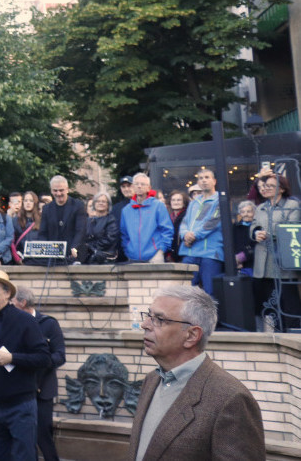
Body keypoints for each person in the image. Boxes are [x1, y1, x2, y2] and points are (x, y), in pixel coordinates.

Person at [127, 286, 265, 461]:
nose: (145, 325)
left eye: (159, 319)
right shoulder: (152, 380)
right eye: (148, 315)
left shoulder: (231, 398)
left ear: (192, 335)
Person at [0, 269, 50, 461]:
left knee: (24, 456)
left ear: (7, 293)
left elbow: (44, 358)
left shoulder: (25, 321)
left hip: (21, 405)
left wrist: (12, 358)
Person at [13, 286, 65, 461]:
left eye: (13, 303)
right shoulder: (14, 324)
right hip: (21, 389)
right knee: (24, 438)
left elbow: (60, 355)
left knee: (43, 436)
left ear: (23, 302)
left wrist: (42, 361)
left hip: (43, 389)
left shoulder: (48, 323)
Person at [250, 169, 301, 330]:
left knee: (289, 300)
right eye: (262, 186)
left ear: (282, 188)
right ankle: (275, 332)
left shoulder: (292, 205)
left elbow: (291, 226)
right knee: (269, 303)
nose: (264, 189)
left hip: (283, 260)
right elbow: (253, 225)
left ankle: (293, 333)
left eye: (270, 186)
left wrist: (269, 233)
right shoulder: (260, 207)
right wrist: (256, 233)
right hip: (263, 262)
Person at [177, 169, 223, 295]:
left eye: (207, 177)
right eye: (201, 178)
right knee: (186, 292)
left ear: (214, 181)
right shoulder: (193, 203)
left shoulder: (220, 200)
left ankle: (212, 316)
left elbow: (213, 222)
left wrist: (194, 235)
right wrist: (185, 234)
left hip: (210, 253)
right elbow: (185, 222)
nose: (204, 180)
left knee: (210, 293)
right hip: (190, 252)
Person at [120, 173, 173, 263]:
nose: (139, 186)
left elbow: (167, 230)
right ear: (133, 187)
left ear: (149, 188)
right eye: (137, 184)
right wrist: (128, 250)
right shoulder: (126, 210)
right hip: (132, 257)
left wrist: (161, 250)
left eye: (143, 184)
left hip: (155, 256)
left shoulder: (158, 206)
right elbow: (124, 234)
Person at [38, 175, 86, 262]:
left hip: (73, 255)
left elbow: (80, 230)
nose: (58, 193)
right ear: (51, 190)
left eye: (61, 190)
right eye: (55, 190)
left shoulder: (78, 206)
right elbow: (42, 233)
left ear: (67, 189)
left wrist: (74, 247)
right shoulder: (47, 209)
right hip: (52, 256)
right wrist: (45, 250)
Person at [82, 191, 119, 264]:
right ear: (94, 204)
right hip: (89, 257)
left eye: (104, 201)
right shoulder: (88, 221)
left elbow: (109, 240)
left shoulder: (111, 220)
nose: (100, 203)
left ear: (108, 205)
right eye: (98, 201)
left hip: (105, 258)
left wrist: (89, 247)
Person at [13, 191, 41, 263]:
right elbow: (11, 241)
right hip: (20, 258)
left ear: (35, 203)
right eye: (26, 200)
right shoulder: (15, 220)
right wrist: (17, 258)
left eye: (31, 201)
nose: (28, 203)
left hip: (37, 258)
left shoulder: (41, 220)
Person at [165, 190, 190, 263]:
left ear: (184, 202)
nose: (175, 202)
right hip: (170, 254)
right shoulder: (168, 216)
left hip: (182, 253)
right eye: (173, 200)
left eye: (179, 200)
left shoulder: (187, 215)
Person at [233, 200, 256, 275]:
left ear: (254, 212)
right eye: (243, 212)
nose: (246, 214)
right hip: (238, 266)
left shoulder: (258, 227)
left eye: (249, 211)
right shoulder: (234, 227)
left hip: (254, 265)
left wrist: (242, 257)